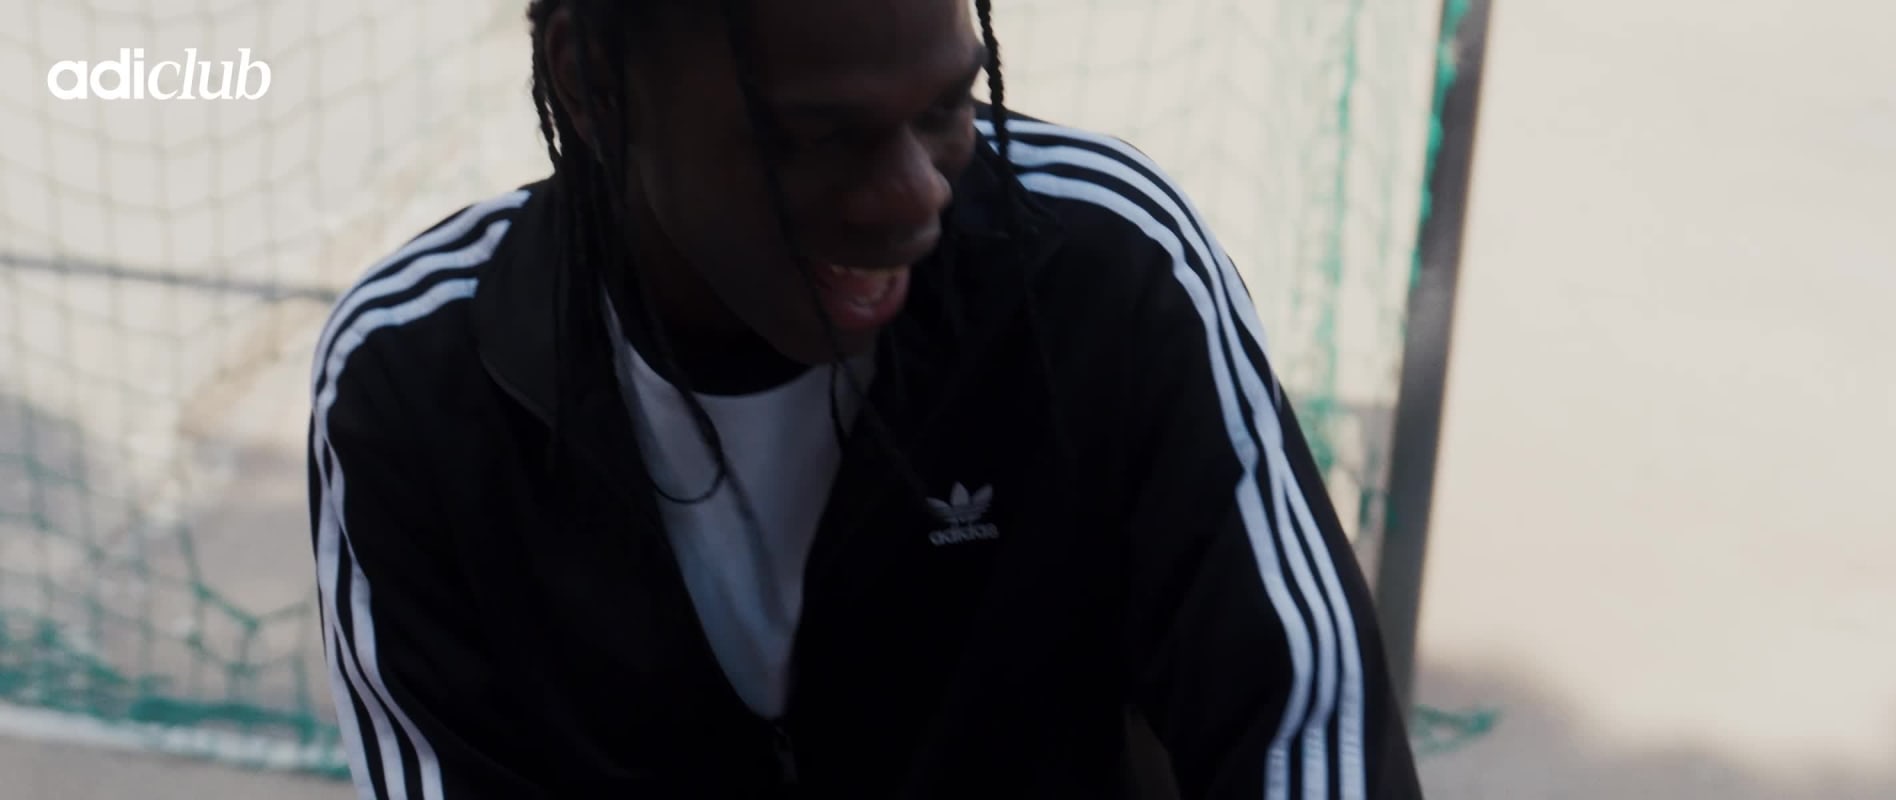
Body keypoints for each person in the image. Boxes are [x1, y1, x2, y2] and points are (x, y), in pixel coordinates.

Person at [304, 0, 1424, 796]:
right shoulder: (416, 381)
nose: (912, 195)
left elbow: (1305, 728)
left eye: (949, 105)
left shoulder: (1097, 270)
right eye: (817, 137)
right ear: (592, 83)